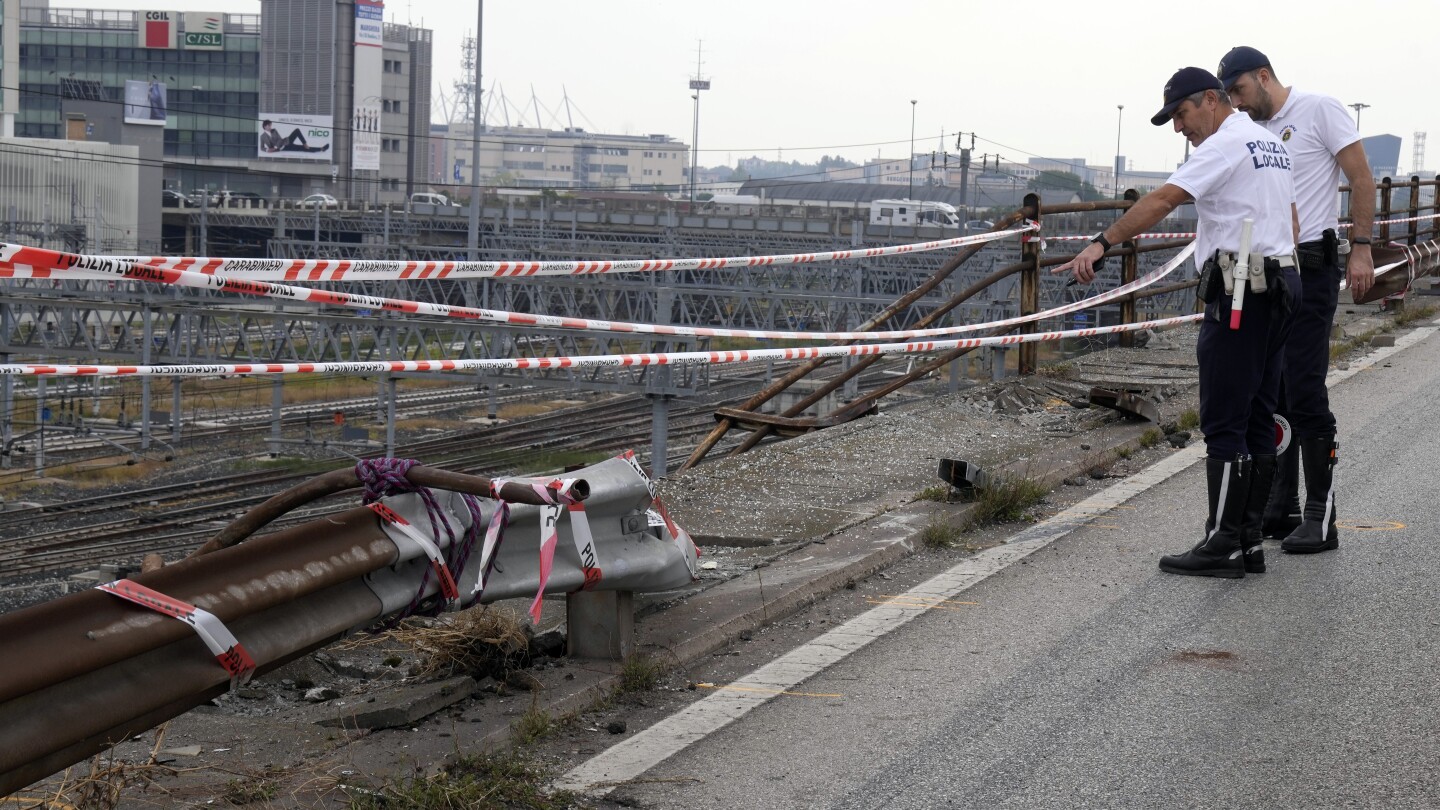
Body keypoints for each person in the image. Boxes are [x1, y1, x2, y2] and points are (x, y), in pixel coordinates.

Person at [1056, 67, 1300, 579]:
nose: (1178, 128)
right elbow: (1290, 215)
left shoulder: (1224, 144)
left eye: (1182, 114)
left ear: (1211, 99)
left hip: (1241, 291)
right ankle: (1249, 541)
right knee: (1258, 415)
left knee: (1224, 419)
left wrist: (1102, 244)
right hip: (1279, 286)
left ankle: (1223, 543)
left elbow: (1165, 199)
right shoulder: (1267, 142)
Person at [1218, 46, 1375, 557]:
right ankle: (1279, 505)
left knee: (1304, 388)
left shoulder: (1319, 109)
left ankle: (1320, 515)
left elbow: (1361, 178)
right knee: (1274, 390)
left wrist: (1363, 250)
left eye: (1240, 91)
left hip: (1315, 262)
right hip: (1274, 267)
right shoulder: (1251, 131)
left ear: (1264, 76)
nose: (1237, 104)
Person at [259, 120, 330, 154]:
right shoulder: (262, 137)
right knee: (304, 149)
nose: (270, 127)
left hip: (286, 141)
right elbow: (261, 147)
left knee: (297, 131)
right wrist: (267, 150)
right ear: (265, 126)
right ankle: (321, 149)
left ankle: (305, 143)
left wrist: (274, 148)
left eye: (271, 125)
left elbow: (280, 140)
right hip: (285, 148)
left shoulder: (274, 130)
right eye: (269, 125)